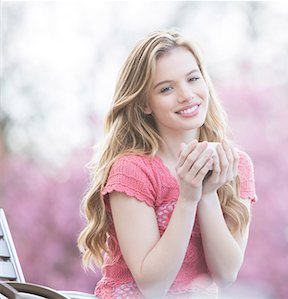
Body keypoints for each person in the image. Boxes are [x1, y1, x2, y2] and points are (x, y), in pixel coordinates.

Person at [77, 30, 258, 298]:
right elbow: (152, 285)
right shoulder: (133, 171)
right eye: (166, 88)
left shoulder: (235, 165)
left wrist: (207, 194)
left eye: (193, 78)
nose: (186, 95)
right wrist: (187, 199)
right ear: (144, 104)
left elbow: (225, 274)